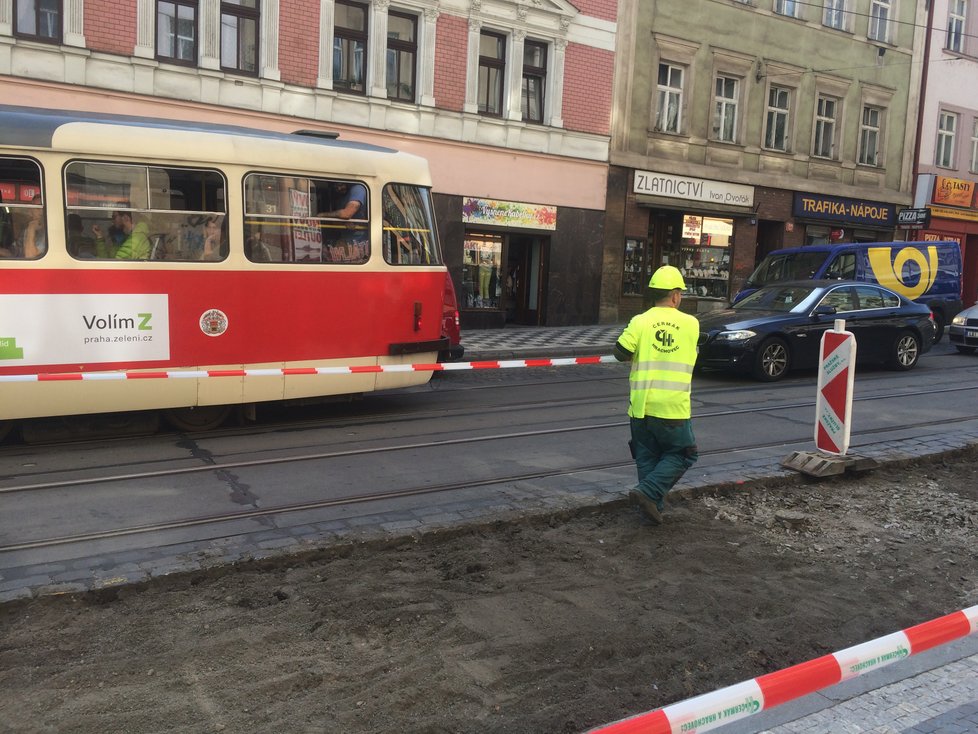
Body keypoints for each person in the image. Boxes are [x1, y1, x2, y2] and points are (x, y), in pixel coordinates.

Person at [614, 265, 700, 525]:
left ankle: (652, 508)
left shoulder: (640, 321)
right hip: (672, 406)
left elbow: (620, 351)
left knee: (647, 456)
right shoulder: (691, 323)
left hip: (641, 406)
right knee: (684, 453)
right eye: (680, 293)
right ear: (675, 295)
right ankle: (649, 493)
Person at [19, 194, 46, 259]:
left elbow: (30, 256)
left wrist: (31, 229)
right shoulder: (27, 229)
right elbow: (14, 251)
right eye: (37, 208)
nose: (41, 212)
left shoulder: (49, 232)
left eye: (42, 208)